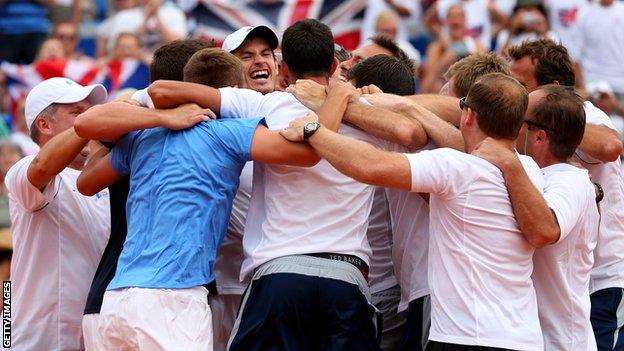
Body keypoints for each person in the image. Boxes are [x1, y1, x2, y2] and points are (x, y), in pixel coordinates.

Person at [148, 19, 401, 350]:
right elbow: (411, 130)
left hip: (277, 279)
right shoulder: (370, 115)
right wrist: (346, 98)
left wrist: (167, 114)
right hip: (346, 281)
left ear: (284, 70)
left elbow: (163, 90)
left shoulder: (262, 105)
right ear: (334, 65)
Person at [74, 47, 322, 350]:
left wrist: (159, 118)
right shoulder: (228, 133)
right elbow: (309, 154)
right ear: (234, 90)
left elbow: (86, 183)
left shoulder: (142, 136)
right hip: (174, 298)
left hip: (117, 299)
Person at [281, 73, 550, 351]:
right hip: (525, 337)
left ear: (468, 116)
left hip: (465, 336)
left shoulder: (455, 167)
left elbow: (369, 166)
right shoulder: (529, 169)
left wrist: (316, 129)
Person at [79, 38, 214, 351]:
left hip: (113, 297)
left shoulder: (132, 130)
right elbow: (84, 130)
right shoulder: (133, 126)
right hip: (160, 296)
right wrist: (158, 114)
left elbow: (85, 181)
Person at [510, 38, 624, 351]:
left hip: (601, 280)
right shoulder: (527, 125)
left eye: (522, 85)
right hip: (560, 282)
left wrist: (556, 117)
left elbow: (611, 146)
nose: (515, 93)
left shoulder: (589, 114)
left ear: (554, 90)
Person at [473, 85, 600, 350]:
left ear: (540, 137)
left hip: (561, 342)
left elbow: (544, 231)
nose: (511, 124)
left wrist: (508, 163)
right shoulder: (532, 173)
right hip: (529, 337)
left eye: (519, 119)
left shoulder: (571, 180)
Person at [5, 77, 110, 350]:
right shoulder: (24, 168)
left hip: (94, 337)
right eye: (77, 113)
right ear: (44, 124)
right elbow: (42, 166)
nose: (90, 119)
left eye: (91, 111)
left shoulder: (107, 178)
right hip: (34, 340)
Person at [420, 4, 486, 94]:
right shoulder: (436, 48)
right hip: (442, 94)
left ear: (465, 20)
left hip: (469, 93)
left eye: (459, 16)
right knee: (436, 84)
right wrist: (441, 63)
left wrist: (473, 63)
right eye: (451, 16)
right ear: (446, 21)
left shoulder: (477, 46)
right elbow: (424, 89)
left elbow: (485, 80)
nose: (455, 21)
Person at [577, 0, 624, 105]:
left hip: (620, 85)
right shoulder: (585, 12)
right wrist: (582, 87)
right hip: (592, 83)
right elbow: (576, 54)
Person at [222, 25, 279, 94]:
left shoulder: (293, 102)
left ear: (276, 66)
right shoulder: (215, 104)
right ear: (228, 72)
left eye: (265, 54)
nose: (260, 61)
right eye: (247, 56)